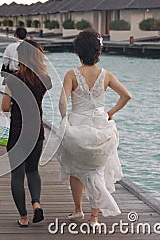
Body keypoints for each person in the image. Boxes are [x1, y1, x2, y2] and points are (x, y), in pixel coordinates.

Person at [57, 28, 132, 227]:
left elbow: (62, 102)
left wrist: (65, 119)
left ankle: (78, 210)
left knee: (76, 169)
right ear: (98, 52)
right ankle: (94, 218)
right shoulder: (106, 75)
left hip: (77, 127)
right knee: (97, 170)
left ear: (78, 52)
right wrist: (111, 112)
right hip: (101, 126)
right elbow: (126, 96)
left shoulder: (71, 74)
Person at [1, 39, 52, 227]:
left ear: (20, 56)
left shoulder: (13, 79)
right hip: (36, 131)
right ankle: (36, 204)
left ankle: (23, 217)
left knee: (17, 175)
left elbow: (5, 106)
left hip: (17, 133)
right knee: (33, 170)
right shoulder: (45, 79)